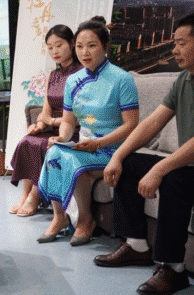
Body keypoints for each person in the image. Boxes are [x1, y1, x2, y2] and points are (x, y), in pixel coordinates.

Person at [94, 13, 194, 295]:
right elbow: (152, 123)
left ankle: (173, 268)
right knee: (130, 163)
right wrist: (118, 156)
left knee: (174, 179)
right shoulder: (184, 81)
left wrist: (159, 169)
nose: (174, 49)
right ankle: (137, 245)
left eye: (180, 43)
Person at [36, 17, 139, 246]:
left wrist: (99, 144)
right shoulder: (73, 81)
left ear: (105, 46)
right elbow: (68, 121)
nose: (84, 52)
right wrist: (61, 137)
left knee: (75, 161)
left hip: (113, 148)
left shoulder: (122, 79)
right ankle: (59, 217)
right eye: (80, 46)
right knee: (54, 152)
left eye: (92, 45)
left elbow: (131, 125)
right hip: (86, 146)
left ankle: (85, 219)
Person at [9, 24, 82, 216]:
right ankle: (24, 195)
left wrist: (49, 121)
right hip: (52, 126)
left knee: (44, 145)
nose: (54, 51)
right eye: (50, 47)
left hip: (73, 131)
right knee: (27, 141)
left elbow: (78, 117)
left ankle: (35, 197)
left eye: (59, 45)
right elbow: (46, 110)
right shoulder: (53, 75)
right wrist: (38, 126)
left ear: (72, 44)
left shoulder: (81, 74)